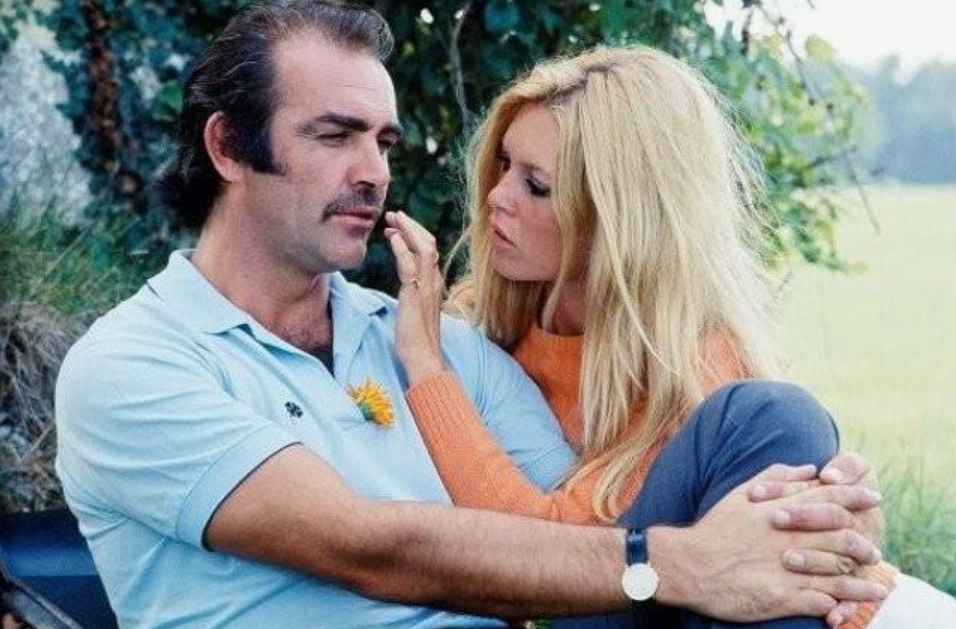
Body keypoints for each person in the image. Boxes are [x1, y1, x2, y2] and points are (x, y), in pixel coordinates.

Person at [54, 3, 887, 628]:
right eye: (336, 136)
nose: (373, 171)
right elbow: (362, 545)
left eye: (383, 142)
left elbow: (580, 525)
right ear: (229, 147)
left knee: (769, 419)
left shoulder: (441, 344)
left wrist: (828, 517)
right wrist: (679, 561)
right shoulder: (134, 364)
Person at [386, 45, 956, 629]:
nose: (496, 196)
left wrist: (426, 368)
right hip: (611, 606)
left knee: (778, 417)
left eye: (536, 185)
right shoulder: (480, 325)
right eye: (504, 164)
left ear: (619, 216)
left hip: (668, 603)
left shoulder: (690, 367)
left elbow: (555, 551)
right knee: (781, 418)